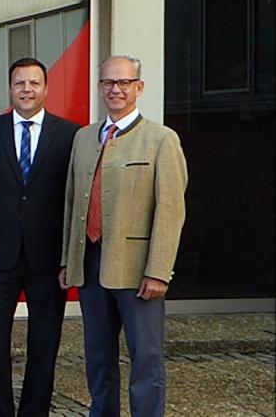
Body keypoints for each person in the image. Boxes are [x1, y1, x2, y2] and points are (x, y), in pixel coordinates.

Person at [60, 55, 187, 417]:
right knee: (98, 357)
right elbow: (72, 202)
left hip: (137, 269)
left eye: (124, 82)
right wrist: (67, 260)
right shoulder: (84, 137)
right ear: (100, 87)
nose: (115, 89)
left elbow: (170, 211)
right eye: (108, 82)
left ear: (139, 87)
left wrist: (158, 271)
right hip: (90, 263)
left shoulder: (161, 139)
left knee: (145, 358)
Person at [0, 57, 80, 417]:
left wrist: (70, 257)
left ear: (45, 88)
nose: (26, 89)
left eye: (33, 83)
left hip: (49, 256)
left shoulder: (69, 134)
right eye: (19, 83)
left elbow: (77, 196)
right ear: (10, 88)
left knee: (44, 340)